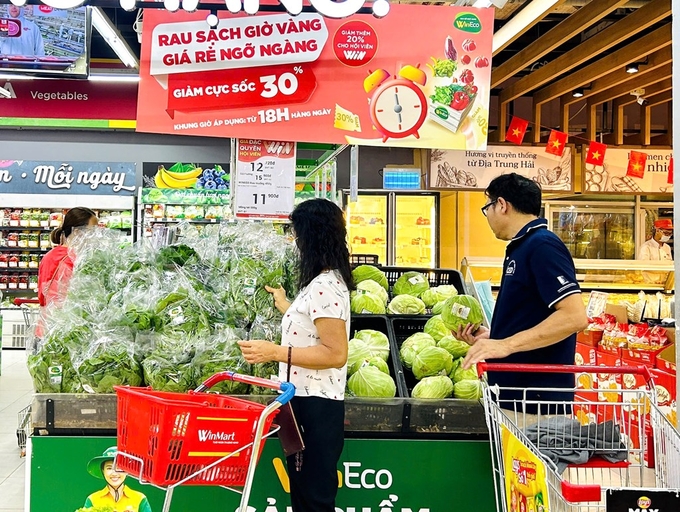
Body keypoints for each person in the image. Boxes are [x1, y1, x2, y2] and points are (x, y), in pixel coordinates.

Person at [238, 199, 353, 512]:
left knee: (314, 500)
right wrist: (287, 306)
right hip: (303, 403)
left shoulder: (324, 286)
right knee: (304, 497)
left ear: (311, 238)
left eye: (297, 236)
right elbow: (314, 328)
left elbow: (335, 353)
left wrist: (273, 352)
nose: (295, 244)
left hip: (315, 407)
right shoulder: (325, 282)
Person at [456, 173, 588, 414]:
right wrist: (493, 337)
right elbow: (533, 314)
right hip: (515, 396)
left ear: (502, 205)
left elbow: (574, 317)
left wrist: (505, 345)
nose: (488, 217)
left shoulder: (542, 245)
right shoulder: (523, 245)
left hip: (535, 402)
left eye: (488, 208)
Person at [37, 207, 97, 308]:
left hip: (49, 318)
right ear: (78, 232)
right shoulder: (73, 258)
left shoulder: (50, 255)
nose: (98, 236)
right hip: (64, 319)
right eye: (93, 231)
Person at [84, 446, 152, 512]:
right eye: (109, 468)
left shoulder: (140, 498)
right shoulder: (92, 499)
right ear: (103, 471)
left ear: (127, 471)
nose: (114, 473)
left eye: (119, 468)